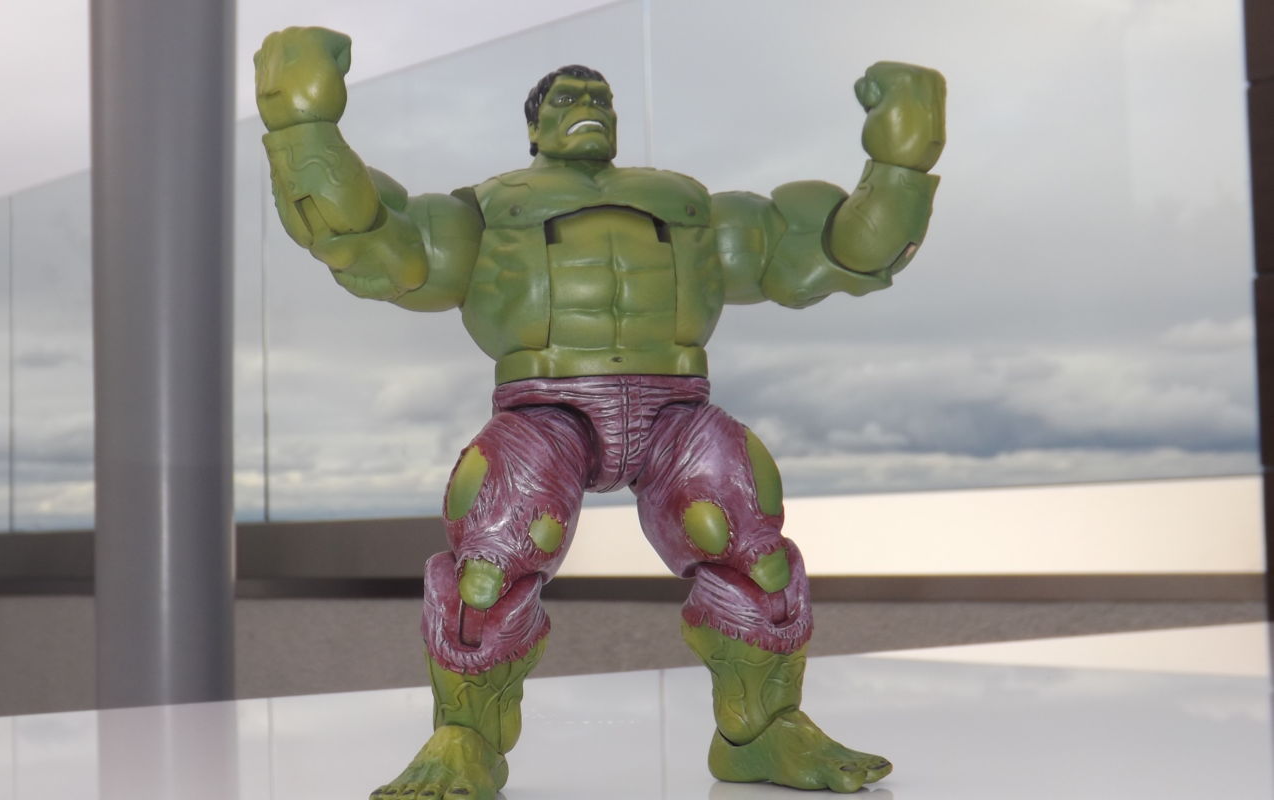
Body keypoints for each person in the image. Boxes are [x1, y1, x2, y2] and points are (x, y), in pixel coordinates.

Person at [254, 26, 944, 798]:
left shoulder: (686, 203)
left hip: (675, 407)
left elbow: (833, 251)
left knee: (757, 554)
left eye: (599, 96)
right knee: (489, 566)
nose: (588, 104)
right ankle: (465, 742)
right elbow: (369, 240)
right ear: (534, 125)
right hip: (544, 404)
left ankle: (762, 732)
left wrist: (902, 161)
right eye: (567, 96)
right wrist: (301, 124)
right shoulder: (491, 209)